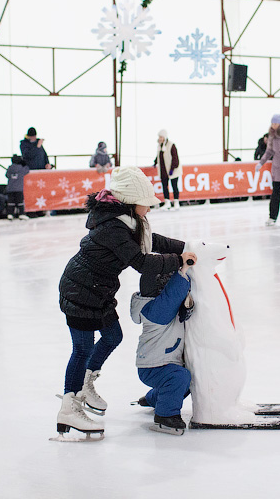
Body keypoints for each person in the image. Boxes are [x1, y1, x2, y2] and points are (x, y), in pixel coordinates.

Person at [54, 166, 195, 439]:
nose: (150, 209)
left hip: (99, 292)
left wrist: (184, 246)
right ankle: (69, 407)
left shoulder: (127, 221)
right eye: (147, 203)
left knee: (112, 336)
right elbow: (142, 262)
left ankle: (86, 381)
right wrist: (180, 261)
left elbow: (151, 242)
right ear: (130, 201)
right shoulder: (113, 227)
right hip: (79, 291)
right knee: (81, 349)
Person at [130, 262, 196, 435]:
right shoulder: (156, 310)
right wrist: (182, 272)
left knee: (186, 380)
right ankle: (165, 415)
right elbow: (173, 295)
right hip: (154, 366)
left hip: (162, 362)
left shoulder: (158, 307)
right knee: (180, 377)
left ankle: (153, 398)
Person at [154, 130, 181, 210]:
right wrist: (155, 162)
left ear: (165, 137)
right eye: (159, 137)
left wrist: (172, 168)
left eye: (161, 137)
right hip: (163, 170)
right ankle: (167, 202)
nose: (160, 138)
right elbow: (159, 156)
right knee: (165, 187)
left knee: (174, 186)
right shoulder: (159, 146)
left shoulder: (171, 145)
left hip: (172, 170)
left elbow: (175, 158)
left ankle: (176, 202)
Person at [5, 154, 30, 221]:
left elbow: (7, 175)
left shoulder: (10, 168)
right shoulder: (22, 168)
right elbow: (27, 170)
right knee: (20, 202)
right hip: (19, 188)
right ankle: (21, 214)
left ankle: (10, 214)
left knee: (11, 202)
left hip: (10, 188)